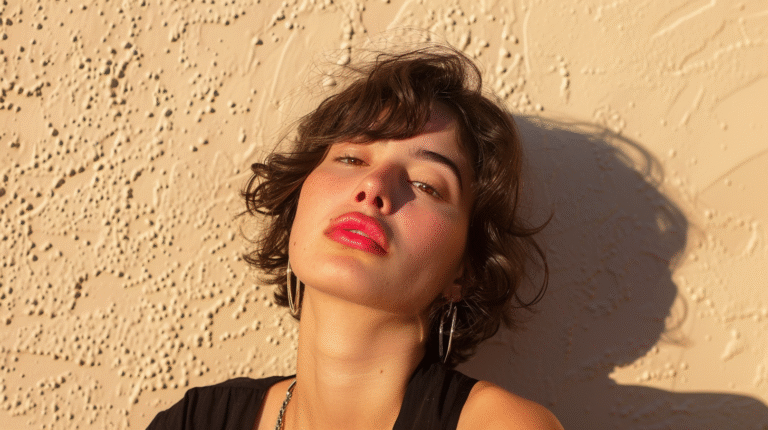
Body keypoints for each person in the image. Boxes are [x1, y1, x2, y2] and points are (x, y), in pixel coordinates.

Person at [147, 44, 563, 430]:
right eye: (350, 157)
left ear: (465, 270)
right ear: (296, 203)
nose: (374, 187)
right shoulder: (195, 420)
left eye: (425, 185)